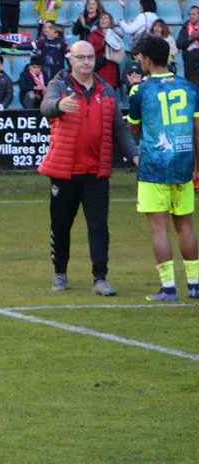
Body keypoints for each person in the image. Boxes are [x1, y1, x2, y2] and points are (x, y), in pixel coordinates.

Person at [37, 40, 136, 294]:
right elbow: (45, 107)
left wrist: (135, 156)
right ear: (70, 59)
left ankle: (100, 278)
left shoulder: (107, 90)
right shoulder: (60, 85)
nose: (86, 62)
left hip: (96, 172)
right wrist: (59, 105)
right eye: (81, 57)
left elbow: (120, 130)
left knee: (99, 226)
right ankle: (60, 273)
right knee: (60, 225)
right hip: (65, 171)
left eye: (90, 57)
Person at [126, 35, 199, 301]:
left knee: (159, 229)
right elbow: (197, 131)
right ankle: (195, 284)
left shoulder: (141, 91)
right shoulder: (189, 88)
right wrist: (197, 167)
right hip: (183, 165)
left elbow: (133, 128)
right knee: (186, 227)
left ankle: (168, 288)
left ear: (146, 59)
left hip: (154, 167)